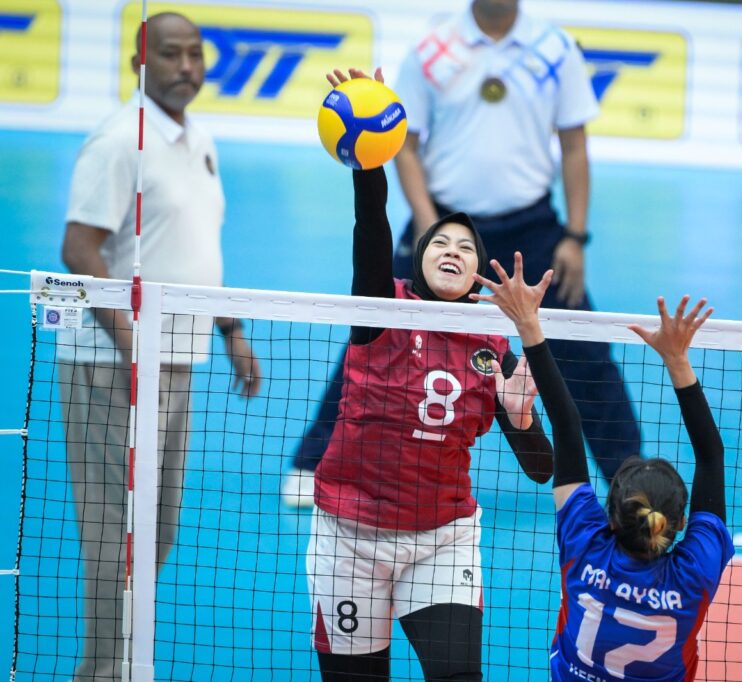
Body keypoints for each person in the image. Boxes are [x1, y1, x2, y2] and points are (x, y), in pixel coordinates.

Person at [281, 0, 641, 506]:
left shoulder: (556, 49)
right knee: (376, 330)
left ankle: (631, 478)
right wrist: (429, 224)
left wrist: (575, 236)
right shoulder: (433, 48)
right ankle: (313, 460)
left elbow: (574, 145)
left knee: (585, 350)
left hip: (533, 227)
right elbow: (406, 146)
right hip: (443, 223)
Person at [307, 68, 552, 682]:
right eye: (441, 242)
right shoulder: (381, 309)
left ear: (477, 275)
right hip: (348, 535)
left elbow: (542, 468)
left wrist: (522, 418)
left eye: (466, 248)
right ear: (418, 260)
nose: (453, 251)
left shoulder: (493, 348)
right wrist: (370, 156)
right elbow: (371, 225)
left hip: (442, 537)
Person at [58, 13, 261, 680]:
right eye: (170, 54)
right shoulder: (120, 141)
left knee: (158, 528)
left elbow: (196, 253)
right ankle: (103, 672)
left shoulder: (198, 140)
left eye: (195, 54)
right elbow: (79, 249)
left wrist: (230, 331)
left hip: (177, 361)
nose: (186, 66)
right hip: (109, 367)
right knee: (114, 531)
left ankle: (117, 661)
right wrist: (132, 344)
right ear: (139, 64)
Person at [472, 253, 734, 681]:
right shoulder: (693, 575)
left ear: (611, 519)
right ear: (682, 523)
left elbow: (566, 424)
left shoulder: (586, 546)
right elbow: (712, 456)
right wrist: (678, 360)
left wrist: (527, 324)